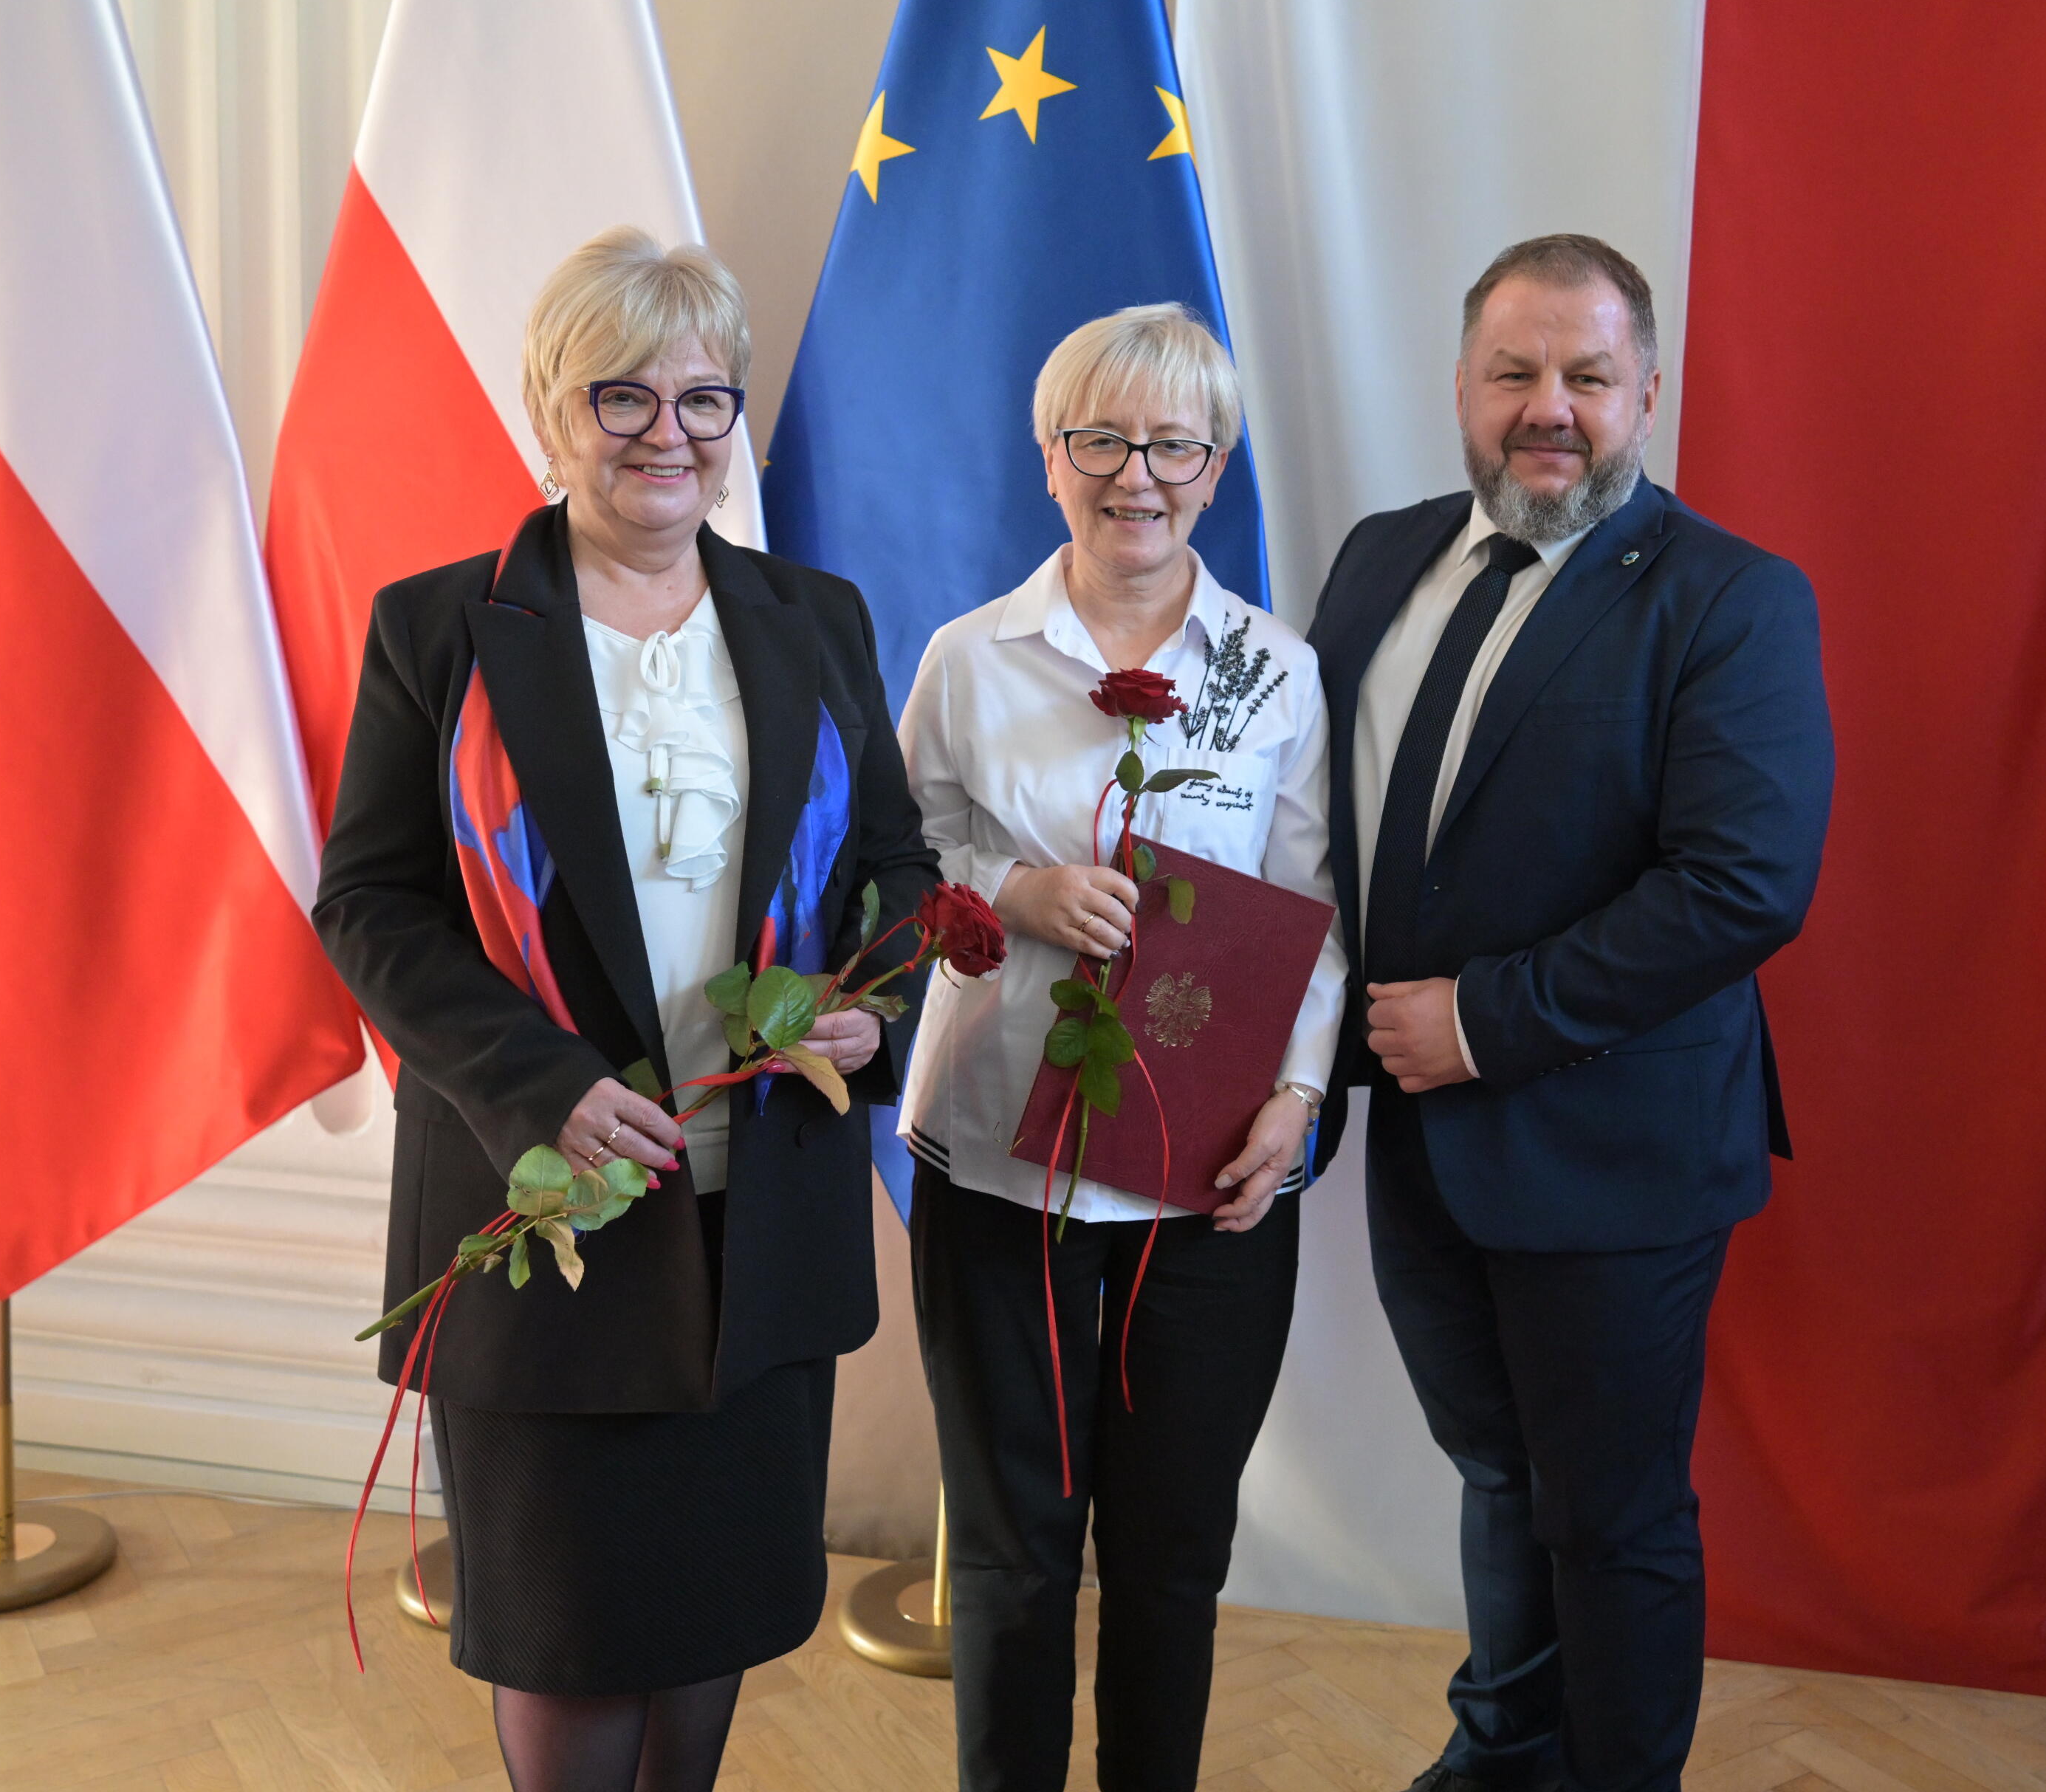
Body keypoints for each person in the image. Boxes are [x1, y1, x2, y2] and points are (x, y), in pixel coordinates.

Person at [314, 229, 940, 1792]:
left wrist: (874, 1010)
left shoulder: (816, 618)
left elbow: (896, 867)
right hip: (546, 1212)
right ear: (551, 409)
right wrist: (543, 1086)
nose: (670, 432)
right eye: (623, 395)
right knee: (569, 1632)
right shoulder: (439, 627)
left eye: (704, 397)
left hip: (760, 1216)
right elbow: (370, 902)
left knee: (710, 1611)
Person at [1308, 236, 1835, 1792]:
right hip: (1417, 1134)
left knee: (1609, 1514)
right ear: (1461, 388)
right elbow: (1314, 821)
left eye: (1588, 376)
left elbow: (1743, 884)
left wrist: (1484, 1021)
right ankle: (1503, 1755)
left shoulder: (1731, 597)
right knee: (1497, 1470)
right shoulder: (1380, 557)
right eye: (1516, 372)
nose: (1551, 406)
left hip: (1615, 1147)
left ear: (1644, 393)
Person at [896, 303, 1346, 1792]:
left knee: (1170, 1550)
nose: (1135, 474)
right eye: (1100, 439)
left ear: (1217, 468)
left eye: (1173, 445)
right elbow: (892, 867)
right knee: (1012, 1551)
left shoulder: (1277, 671)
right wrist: (1010, 894)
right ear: (1050, 457)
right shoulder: (969, 658)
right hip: (993, 1162)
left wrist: (1297, 1091)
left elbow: (1314, 909)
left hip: (1201, 1172)